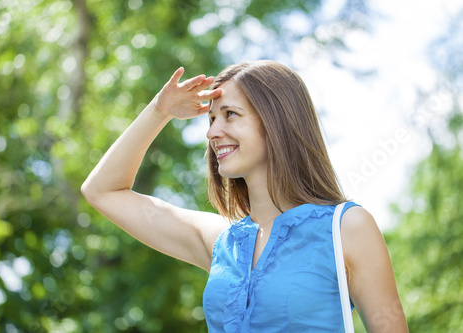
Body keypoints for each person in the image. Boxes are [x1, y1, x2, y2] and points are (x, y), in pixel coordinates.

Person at [81, 60, 409, 332]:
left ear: (276, 121)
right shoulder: (223, 242)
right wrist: (159, 110)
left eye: (230, 115)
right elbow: (102, 191)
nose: (211, 132)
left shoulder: (347, 228)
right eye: (211, 119)